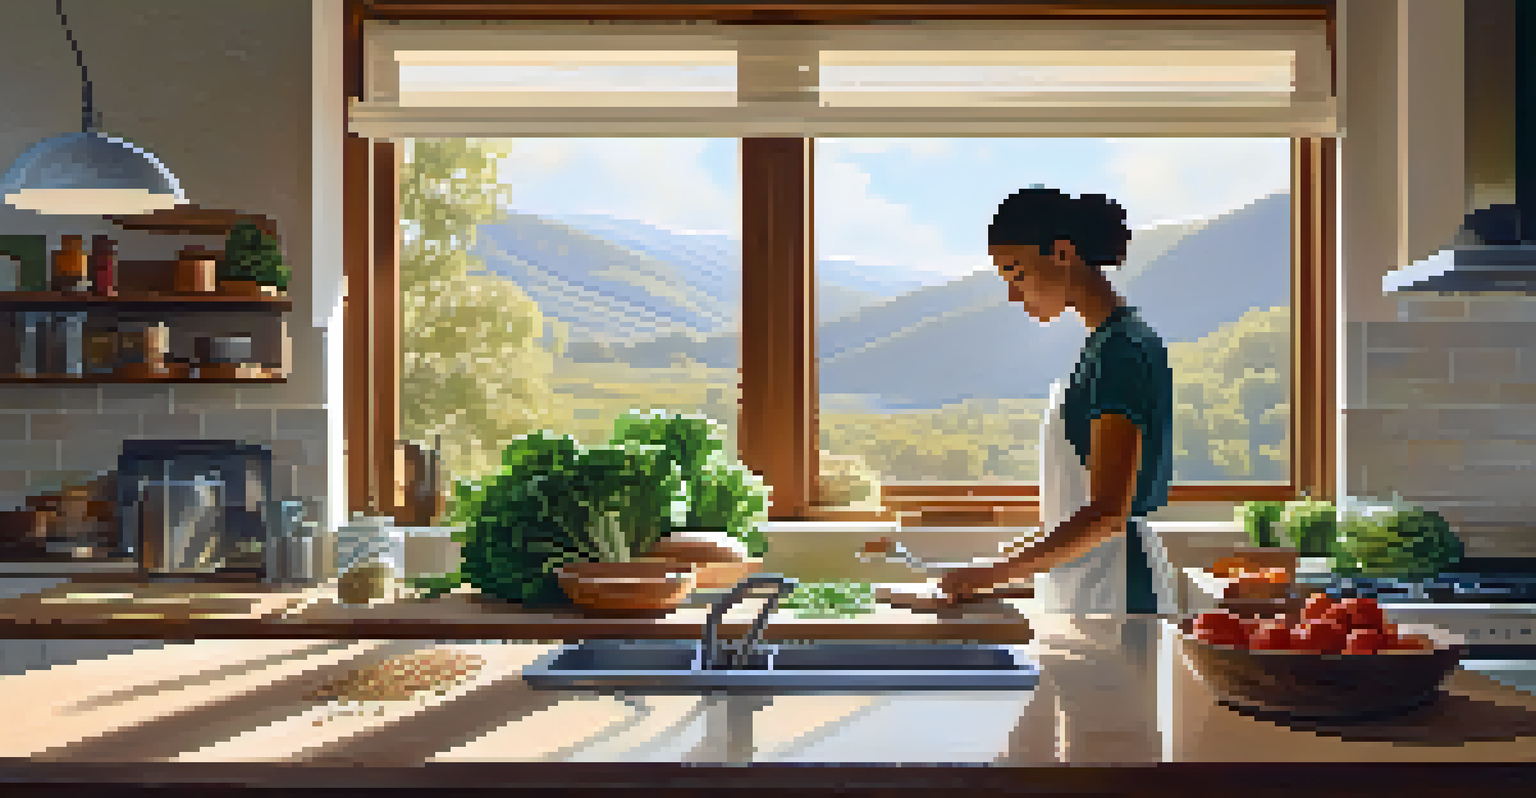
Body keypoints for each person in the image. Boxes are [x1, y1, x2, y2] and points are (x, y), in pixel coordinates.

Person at [938, 187, 1176, 765]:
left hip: (1117, 599)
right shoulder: (1103, 348)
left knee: (1113, 766)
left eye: (1017, 272)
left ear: (1063, 253)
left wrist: (995, 572)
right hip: (1093, 593)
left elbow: (1106, 513)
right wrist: (992, 572)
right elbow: (1079, 513)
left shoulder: (1120, 353)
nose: (1013, 292)